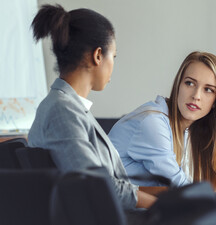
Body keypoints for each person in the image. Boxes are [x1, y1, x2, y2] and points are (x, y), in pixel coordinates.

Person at [28, 4, 156, 211]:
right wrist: (161, 206)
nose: (113, 65)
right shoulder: (62, 111)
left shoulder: (68, 107)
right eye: (113, 57)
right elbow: (97, 186)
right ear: (98, 55)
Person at [109, 51, 216, 190]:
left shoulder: (188, 129)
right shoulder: (152, 122)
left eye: (208, 90)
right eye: (190, 83)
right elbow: (180, 186)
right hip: (113, 209)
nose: (196, 95)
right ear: (178, 85)